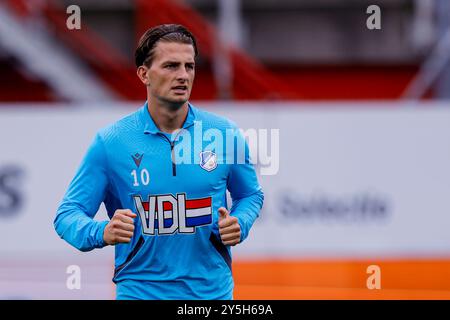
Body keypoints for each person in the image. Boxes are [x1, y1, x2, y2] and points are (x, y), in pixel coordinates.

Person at [53, 24, 264, 300]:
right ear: (144, 74)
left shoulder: (225, 134)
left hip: (210, 294)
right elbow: (67, 216)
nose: (183, 76)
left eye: (189, 66)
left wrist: (240, 221)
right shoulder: (111, 143)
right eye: (171, 66)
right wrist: (102, 231)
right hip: (140, 292)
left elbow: (250, 194)